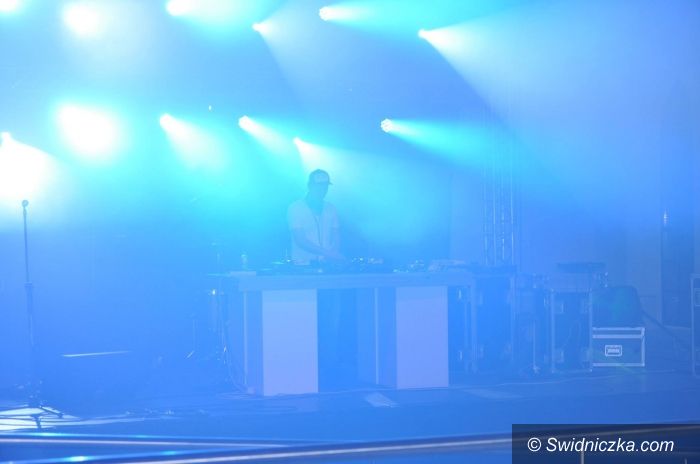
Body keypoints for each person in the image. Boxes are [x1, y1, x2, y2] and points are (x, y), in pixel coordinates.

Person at [287, 169, 343, 264]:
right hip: (303, 265)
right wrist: (329, 254)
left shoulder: (331, 208)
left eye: (325, 186)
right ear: (309, 186)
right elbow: (300, 240)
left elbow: (336, 235)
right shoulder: (295, 208)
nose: (322, 190)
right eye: (319, 186)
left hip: (327, 264)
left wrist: (333, 253)